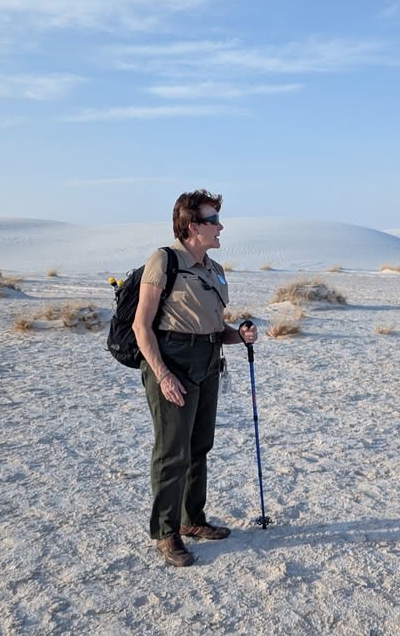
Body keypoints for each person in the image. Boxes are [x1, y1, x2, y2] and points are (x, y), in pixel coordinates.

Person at [132, 189, 258, 567]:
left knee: (200, 446)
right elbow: (141, 326)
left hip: (208, 363)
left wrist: (240, 335)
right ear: (191, 226)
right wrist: (163, 374)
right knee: (173, 452)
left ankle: (192, 520)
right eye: (213, 220)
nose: (221, 227)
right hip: (173, 364)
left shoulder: (214, 269)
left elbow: (215, 328)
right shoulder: (164, 261)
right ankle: (165, 533)